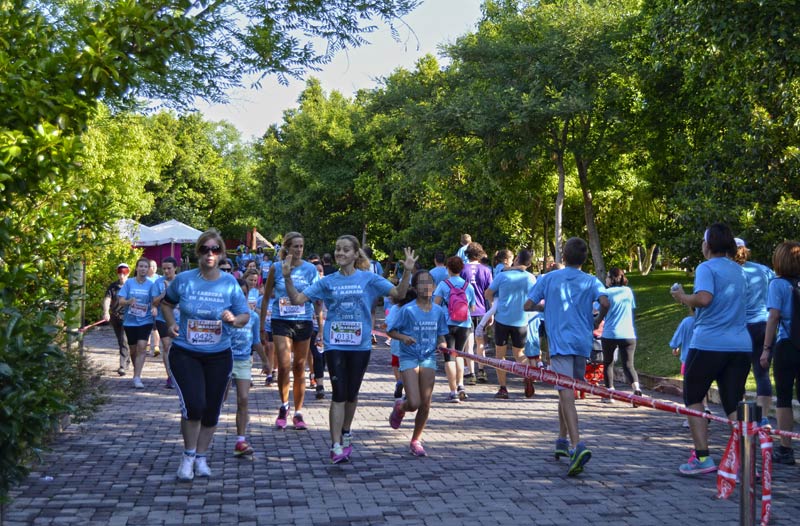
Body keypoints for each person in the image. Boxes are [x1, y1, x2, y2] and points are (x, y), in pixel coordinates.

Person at [281, 235, 416, 463]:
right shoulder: (327, 281)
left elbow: (399, 294)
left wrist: (409, 272)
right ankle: (335, 445)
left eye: (345, 250)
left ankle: (346, 432)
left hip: (360, 345)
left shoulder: (369, 279)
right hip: (335, 344)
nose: (340, 253)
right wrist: (286, 277)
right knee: (339, 393)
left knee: (352, 394)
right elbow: (296, 299)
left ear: (355, 255)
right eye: (337, 249)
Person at [161, 229, 250, 481]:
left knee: (212, 410)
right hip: (186, 353)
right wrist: (170, 324)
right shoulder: (185, 280)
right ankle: (187, 457)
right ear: (198, 252)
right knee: (194, 405)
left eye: (214, 250)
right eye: (204, 249)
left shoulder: (230, 282)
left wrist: (234, 319)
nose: (209, 254)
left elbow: (244, 315)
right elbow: (166, 303)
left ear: (221, 253)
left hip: (219, 355)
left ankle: (201, 457)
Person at [671, 223, 751, 476]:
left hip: (708, 343)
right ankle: (745, 462)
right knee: (732, 402)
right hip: (740, 345)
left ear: (709, 244)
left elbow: (704, 298)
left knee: (693, 397)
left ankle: (703, 458)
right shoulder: (740, 271)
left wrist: (682, 297)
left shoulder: (706, 268)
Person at [524, 237, 609, 477]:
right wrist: (598, 319)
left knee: (567, 393)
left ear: (563, 255)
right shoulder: (591, 280)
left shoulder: (549, 278)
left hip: (560, 343)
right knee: (566, 391)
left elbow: (527, 305)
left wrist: (545, 307)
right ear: (585, 259)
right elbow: (605, 301)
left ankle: (577, 445)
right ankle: (561, 440)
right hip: (582, 343)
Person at [260, 232, 320, 431]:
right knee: (285, 365)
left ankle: (298, 412)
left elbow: (315, 297)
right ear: (286, 248)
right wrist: (261, 326)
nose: (299, 250)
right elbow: (266, 297)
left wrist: (319, 322)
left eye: (301, 246)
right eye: (295, 246)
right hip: (281, 321)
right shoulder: (276, 268)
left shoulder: (311, 269)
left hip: (303, 321)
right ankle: (284, 407)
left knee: (300, 367)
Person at [387, 270, 449, 457]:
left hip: (428, 357)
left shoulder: (438, 311)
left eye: (429, 283)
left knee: (426, 403)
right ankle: (400, 407)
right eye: (421, 283)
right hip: (409, 357)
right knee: (413, 402)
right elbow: (391, 331)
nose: (426, 286)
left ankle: (416, 440)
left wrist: (443, 344)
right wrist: (404, 338)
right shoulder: (408, 310)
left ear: (434, 286)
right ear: (415, 287)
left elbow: (441, 334)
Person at [760, 241, 800, 465]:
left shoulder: (778, 284)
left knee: (784, 397)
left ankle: (786, 448)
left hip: (787, 344)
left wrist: (766, 349)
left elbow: (773, 317)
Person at [734, 237, 775, 422]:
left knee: (736, 375)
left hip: (741, 327)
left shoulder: (730, 273)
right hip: (764, 325)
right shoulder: (763, 270)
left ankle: (740, 418)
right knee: (762, 374)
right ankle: (763, 418)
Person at [485, 249, 536, 399]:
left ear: (517, 259)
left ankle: (503, 388)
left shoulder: (503, 275)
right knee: (519, 354)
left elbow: (488, 292)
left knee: (500, 355)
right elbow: (535, 298)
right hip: (521, 320)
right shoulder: (531, 278)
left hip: (502, 319)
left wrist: (493, 306)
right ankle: (528, 375)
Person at [226, 278, 268, 457]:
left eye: (244, 294)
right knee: (218, 400)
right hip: (224, 360)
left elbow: (256, 341)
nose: (241, 297)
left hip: (243, 361)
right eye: (238, 294)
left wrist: (266, 361)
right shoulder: (224, 314)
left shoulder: (254, 317)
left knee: (243, 399)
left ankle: (240, 440)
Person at [433, 256, 476, 402]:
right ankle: (461, 385)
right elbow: (473, 307)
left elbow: (435, 305)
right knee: (459, 354)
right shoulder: (467, 286)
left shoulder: (443, 285)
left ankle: (453, 392)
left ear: (448, 269)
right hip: (464, 324)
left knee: (449, 358)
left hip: (447, 324)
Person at [600, 268, 642, 401]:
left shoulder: (606, 293)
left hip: (610, 333)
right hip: (628, 333)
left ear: (611, 278)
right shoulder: (628, 291)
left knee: (608, 363)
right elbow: (631, 308)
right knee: (629, 365)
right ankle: (636, 388)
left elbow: (598, 309)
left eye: (607, 276)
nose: (605, 279)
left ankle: (609, 393)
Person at [117, 257, 156, 389]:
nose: (143, 269)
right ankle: (136, 371)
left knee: (142, 346)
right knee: (133, 350)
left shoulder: (151, 284)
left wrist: (155, 307)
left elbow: (154, 301)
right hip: (130, 321)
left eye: (146, 267)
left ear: (149, 269)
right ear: (137, 268)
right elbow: (120, 300)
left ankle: (137, 376)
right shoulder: (129, 283)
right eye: (141, 266)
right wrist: (128, 302)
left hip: (146, 319)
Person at [460, 242, 493, 385]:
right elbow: (490, 294)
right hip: (481, 311)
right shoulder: (486, 270)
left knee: (469, 343)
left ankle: (471, 373)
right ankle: (481, 370)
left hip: (465, 311)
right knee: (480, 342)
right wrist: (491, 312)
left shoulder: (462, 269)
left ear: (467, 254)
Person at [152, 257, 179, 389]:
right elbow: (154, 302)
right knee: (167, 346)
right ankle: (170, 376)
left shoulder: (181, 281)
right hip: (162, 319)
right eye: (164, 269)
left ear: (175, 268)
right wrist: (165, 292)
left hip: (180, 319)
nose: (167, 271)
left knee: (179, 348)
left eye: (169, 268)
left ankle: (180, 374)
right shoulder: (158, 282)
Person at [102, 263, 131, 376]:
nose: (122, 276)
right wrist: (106, 312)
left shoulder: (131, 285)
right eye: (120, 273)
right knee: (120, 340)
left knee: (124, 340)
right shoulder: (113, 287)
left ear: (128, 273)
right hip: (115, 316)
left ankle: (122, 366)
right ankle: (127, 360)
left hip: (127, 316)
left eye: (124, 273)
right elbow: (107, 299)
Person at [146, 259, 162, 357]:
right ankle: (147, 346)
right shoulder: (144, 278)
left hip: (156, 306)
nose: (155, 268)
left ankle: (156, 347)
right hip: (145, 306)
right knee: (147, 326)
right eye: (152, 266)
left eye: (155, 266)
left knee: (155, 327)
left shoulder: (159, 278)